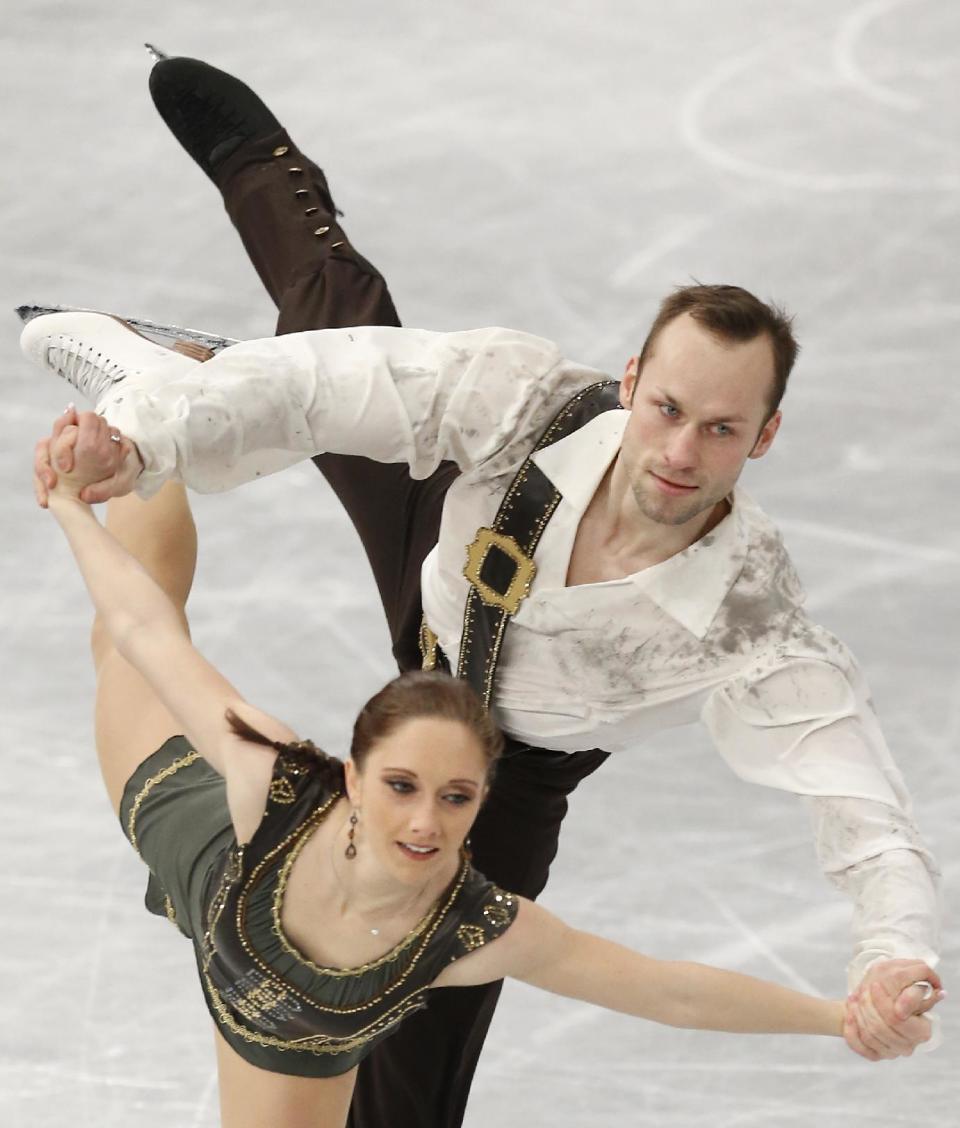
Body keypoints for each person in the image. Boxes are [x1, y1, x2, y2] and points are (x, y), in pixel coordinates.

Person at [26, 55, 942, 1128]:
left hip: (505, 780)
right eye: (669, 409)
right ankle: (250, 209)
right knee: (344, 348)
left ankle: (191, 379)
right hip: (442, 602)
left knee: (412, 1088)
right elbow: (333, 381)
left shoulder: (748, 616)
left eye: (723, 429)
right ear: (632, 383)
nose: (682, 452)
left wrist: (894, 954)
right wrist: (137, 440)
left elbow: (862, 807)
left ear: (766, 435)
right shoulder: (528, 405)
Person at [37, 413, 916, 1128]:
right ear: (350, 776)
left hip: (290, 1031)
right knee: (125, 646)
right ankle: (152, 415)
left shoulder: (472, 926)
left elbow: (668, 992)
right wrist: (74, 504)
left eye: (456, 798)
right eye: (402, 787)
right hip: (186, 824)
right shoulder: (268, 779)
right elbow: (145, 629)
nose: (427, 823)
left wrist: (838, 1018)